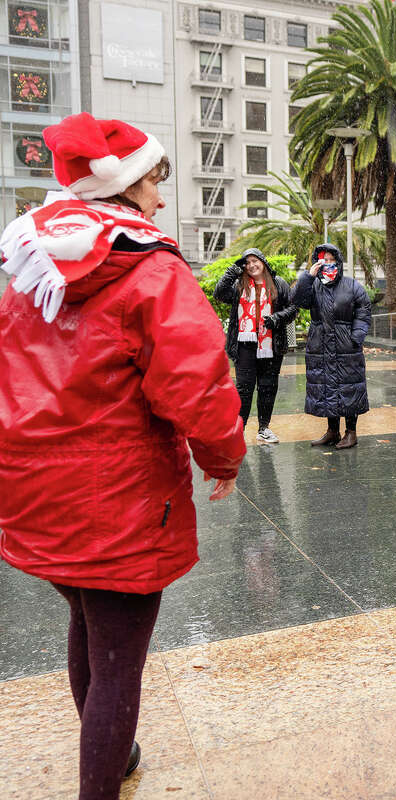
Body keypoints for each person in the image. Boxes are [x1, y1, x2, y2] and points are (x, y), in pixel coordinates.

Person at [0, 113, 245, 800]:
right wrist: (222, 457)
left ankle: (118, 750)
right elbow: (195, 379)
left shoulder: (29, 265)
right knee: (117, 665)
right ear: (123, 188)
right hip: (119, 495)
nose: (160, 199)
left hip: (33, 488)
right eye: (153, 183)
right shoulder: (148, 267)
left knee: (86, 624)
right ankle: (102, 778)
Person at [214, 248, 299, 444]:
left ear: (263, 261)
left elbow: (294, 309)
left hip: (271, 344)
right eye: (247, 263)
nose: (252, 265)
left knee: (267, 388)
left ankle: (264, 428)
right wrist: (232, 271)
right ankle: (238, 430)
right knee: (244, 388)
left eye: (255, 261)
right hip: (245, 345)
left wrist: (276, 318)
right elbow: (219, 294)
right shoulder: (239, 285)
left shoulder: (279, 284)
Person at [293, 243, 371, 450]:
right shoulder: (314, 285)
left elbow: (363, 311)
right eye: (322, 259)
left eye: (330, 259)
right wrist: (308, 276)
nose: (326, 263)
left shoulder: (352, 285)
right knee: (327, 386)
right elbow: (298, 300)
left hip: (346, 346)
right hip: (320, 344)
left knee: (349, 387)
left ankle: (351, 432)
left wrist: (356, 337)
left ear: (338, 261)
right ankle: (332, 431)